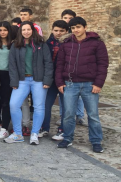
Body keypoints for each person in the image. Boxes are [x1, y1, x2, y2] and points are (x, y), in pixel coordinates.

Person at [55, 17, 108, 153]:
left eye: (78, 27)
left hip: (90, 85)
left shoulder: (97, 44)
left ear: (85, 27)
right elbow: (60, 65)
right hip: (70, 84)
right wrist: (60, 82)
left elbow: (103, 64)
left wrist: (98, 83)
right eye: (73, 28)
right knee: (68, 114)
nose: (76, 30)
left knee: (93, 115)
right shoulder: (66, 44)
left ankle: (96, 141)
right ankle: (67, 138)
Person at [4, 21, 53, 145]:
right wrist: (14, 81)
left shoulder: (41, 44)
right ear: (20, 31)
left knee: (39, 107)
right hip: (22, 80)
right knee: (14, 104)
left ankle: (34, 133)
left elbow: (48, 63)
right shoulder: (16, 45)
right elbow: (12, 65)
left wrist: (47, 80)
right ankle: (18, 133)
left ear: (33, 30)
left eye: (28, 29)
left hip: (39, 80)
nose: (26, 32)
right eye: (23, 30)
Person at [40, 20, 69, 140]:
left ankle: (62, 130)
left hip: (64, 79)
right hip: (50, 79)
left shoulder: (70, 43)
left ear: (66, 31)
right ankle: (44, 128)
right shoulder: (47, 43)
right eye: (56, 30)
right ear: (52, 30)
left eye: (61, 31)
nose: (58, 33)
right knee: (46, 105)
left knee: (66, 106)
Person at [58, 9, 86, 126]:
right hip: (66, 71)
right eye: (65, 17)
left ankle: (80, 116)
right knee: (63, 97)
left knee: (80, 97)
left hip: (80, 74)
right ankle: (62, 116)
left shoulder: (78, 35)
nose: (67, 20)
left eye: (70, 18)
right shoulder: (60, 32)